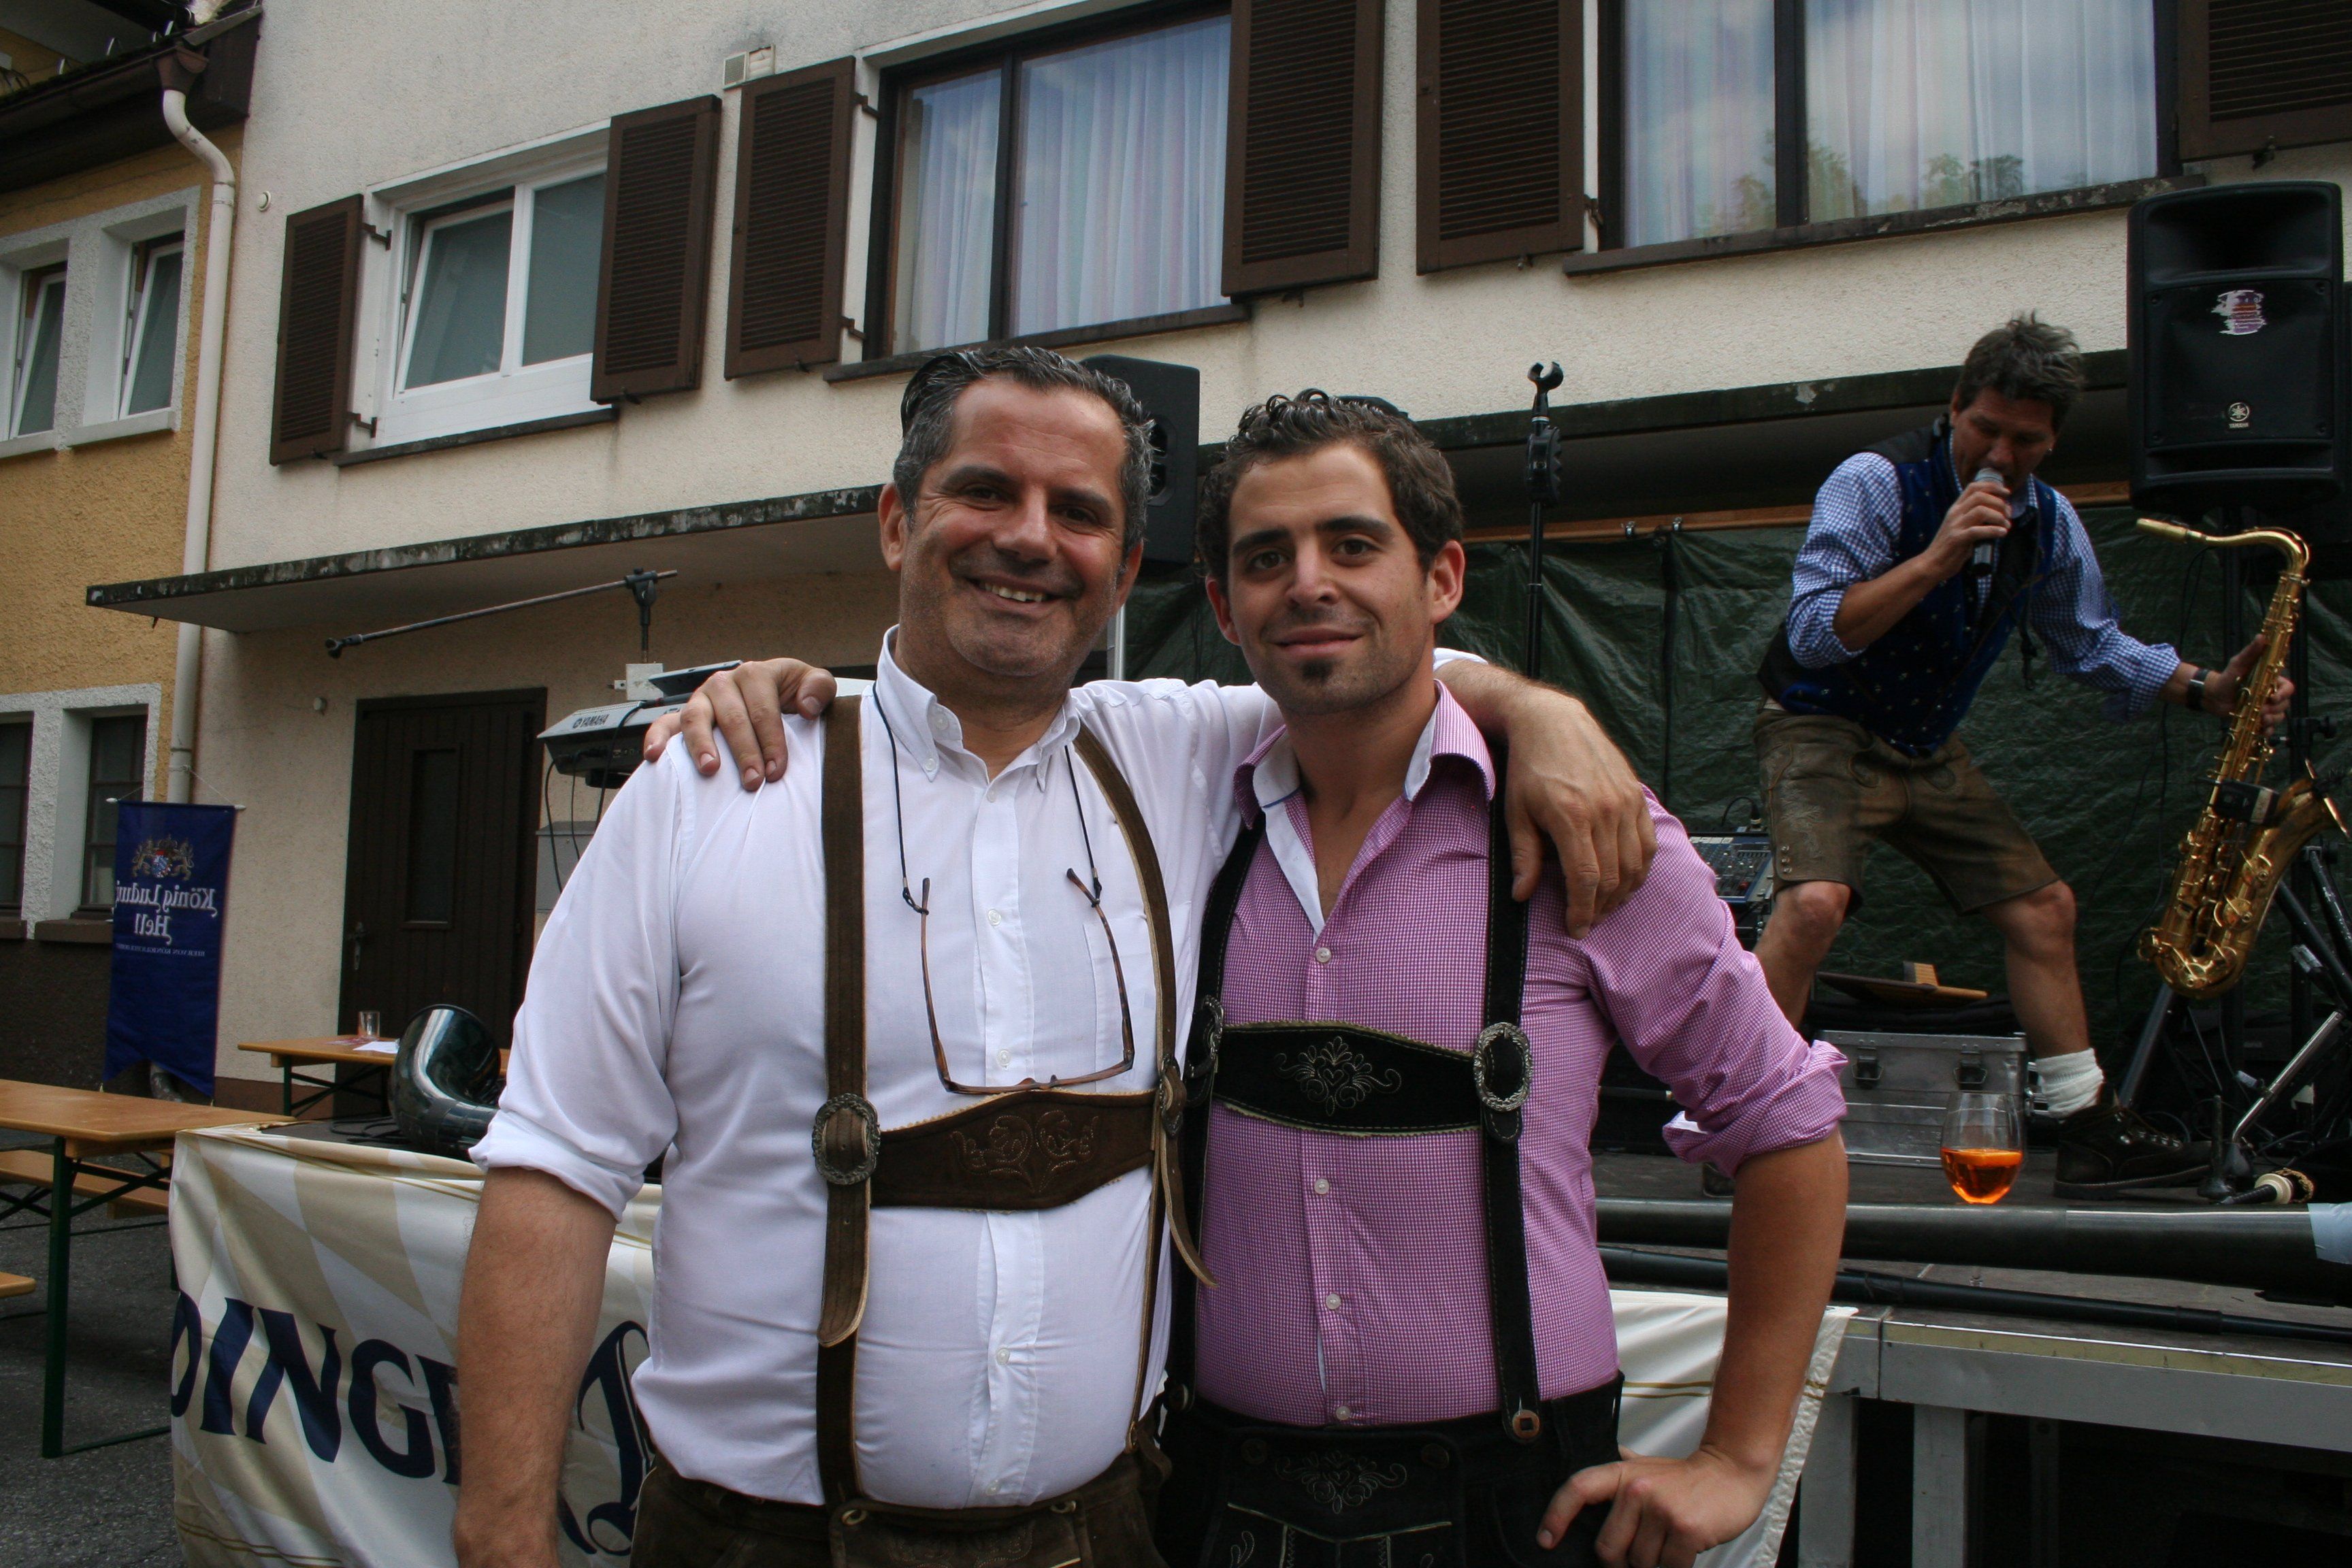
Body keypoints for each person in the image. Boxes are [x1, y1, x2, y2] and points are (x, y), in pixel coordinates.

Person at [454, 346, 1655, 1568]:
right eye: (986, 491)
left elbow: (1371, 661)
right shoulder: (712, 791)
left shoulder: (1179, 755)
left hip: (1107, 1533)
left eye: (1078, 512)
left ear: (1125, 570)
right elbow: (556, 1166)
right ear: (895, 521)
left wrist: (1541, 712)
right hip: (761, 1546)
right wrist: (503, 1537)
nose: (1030, 539)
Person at [668, 393, 1849, 1568]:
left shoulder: (1580, 829)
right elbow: (962, 717)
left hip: (1511, 1507)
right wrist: (794, 702)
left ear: (1442, 578)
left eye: (1353, 545)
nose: (1310, 584)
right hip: (1214, 1501)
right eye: (1268, 558)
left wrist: (1738, 1457)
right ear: (1225, 608)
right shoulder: (1182, 809)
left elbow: (1784, 1119)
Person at [1751, 314, 2289, 1196]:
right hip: (1821, 723)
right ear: (1954, 407)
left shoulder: (2050, 523)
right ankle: (1750, 1119)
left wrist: (2208, 688)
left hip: (1924, 743)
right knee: (1813, 904)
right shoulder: (1875, 481)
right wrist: (1937, 557)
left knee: (2045, 909)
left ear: (2053, 440)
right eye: (1986, 429)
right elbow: (1814, 633)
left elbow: (2089, 642)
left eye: (2026, 441)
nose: (2001, 455)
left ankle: (2088, 1131)